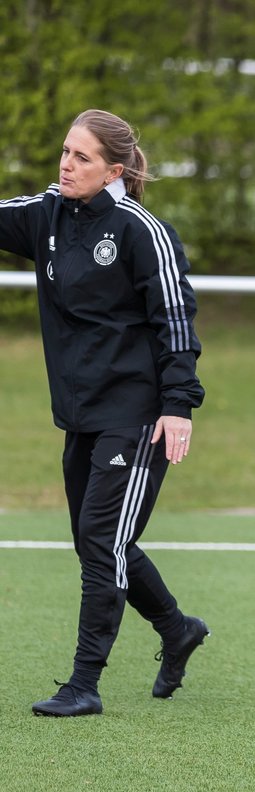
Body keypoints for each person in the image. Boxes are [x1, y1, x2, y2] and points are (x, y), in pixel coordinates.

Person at [0, 109, 209, 717]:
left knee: (102, 540)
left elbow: (176, 321)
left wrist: (178, 407)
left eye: (82, 157)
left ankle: (83, 684)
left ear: (114, 170)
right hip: (82, 412)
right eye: (65, 151)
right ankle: (177, 629)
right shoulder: (49, 214)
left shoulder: (143, 230)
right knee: (101, 541)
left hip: (139, 412)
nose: (66, 164)